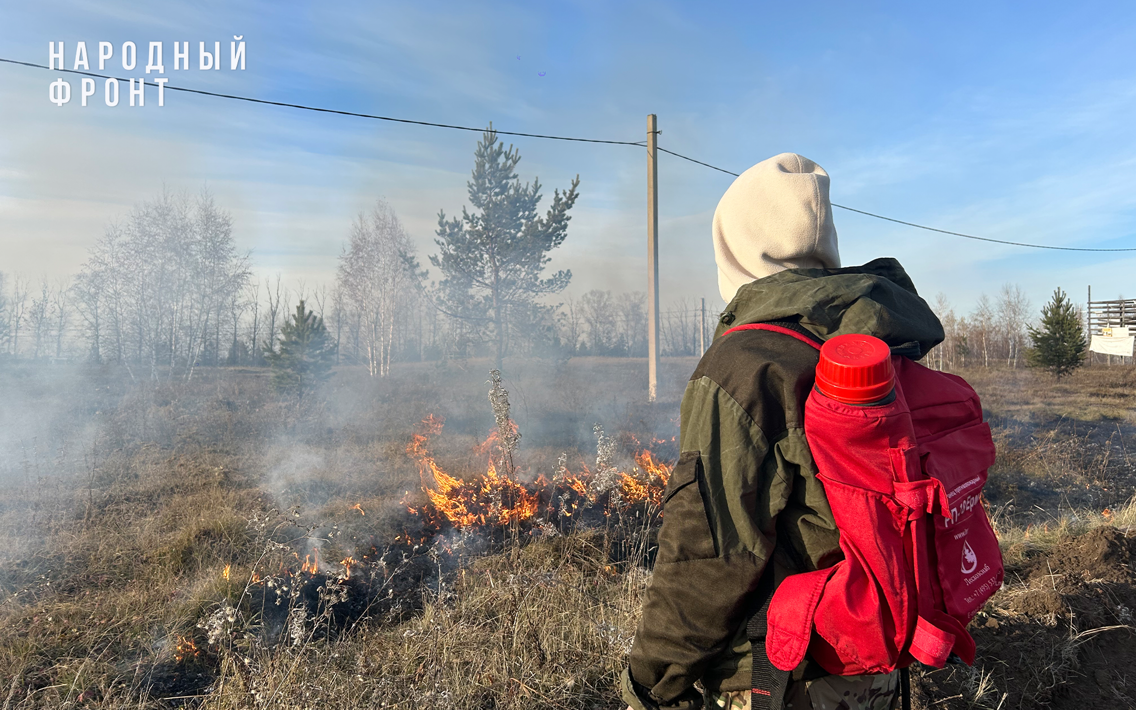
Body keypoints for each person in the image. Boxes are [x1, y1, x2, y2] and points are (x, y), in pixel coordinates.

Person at [620, 153, 945, 710]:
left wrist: (651, 679)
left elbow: (711, 553)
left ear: (736, 249)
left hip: (783, 671)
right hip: (877, 660)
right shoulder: (877, 341)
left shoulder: (745, 364)